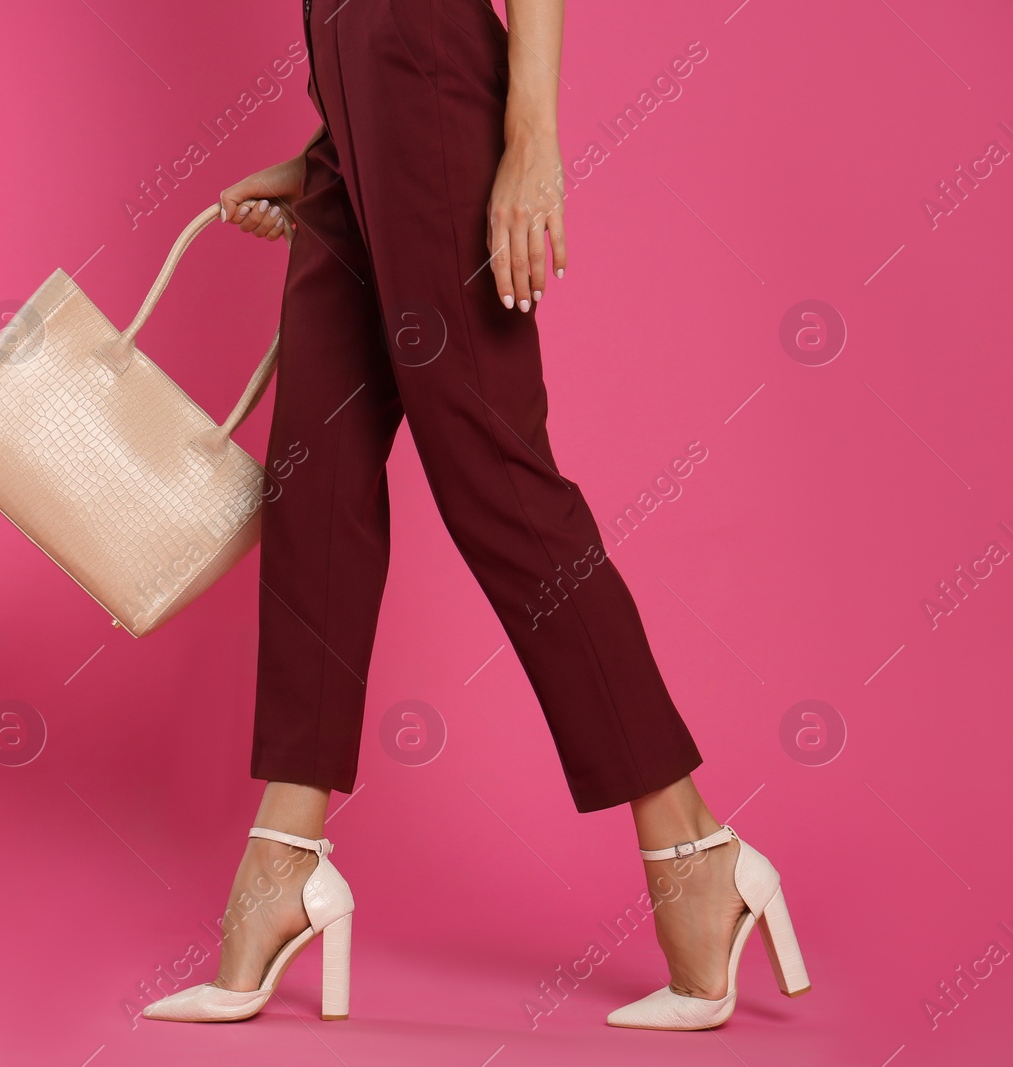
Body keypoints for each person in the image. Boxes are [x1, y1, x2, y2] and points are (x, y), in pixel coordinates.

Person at [140, 0, 811, 1031]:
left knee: (488, 468)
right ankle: (283, 858)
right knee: (312, 480)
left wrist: (528, 135)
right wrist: (339, 144)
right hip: (360, 95)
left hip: (422, 62)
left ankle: (695, 844)